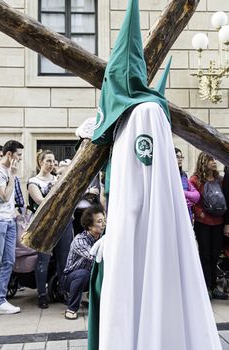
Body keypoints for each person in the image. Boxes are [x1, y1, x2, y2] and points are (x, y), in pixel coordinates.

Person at [87, 0, 222, 349]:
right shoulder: (130, 119)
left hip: (139, 234)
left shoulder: (144, 113)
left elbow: (139, 190)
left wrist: (116, 237)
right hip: (126, 233)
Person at [27, 149, 73, 308]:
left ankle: (62, 291)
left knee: (64, 259)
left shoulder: (59, 178)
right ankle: (41, 295)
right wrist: (53, 188)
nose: (51, 164)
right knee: (43, 260)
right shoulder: (34, 182)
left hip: (63, 222)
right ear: (41, 162)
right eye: (48, 161)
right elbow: (41, 202)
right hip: (45, 225)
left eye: (53, 161)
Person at [190, 152, 228, 300]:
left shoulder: (220, 180)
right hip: (203, 223)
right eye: (210, 159)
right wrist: (199, 213)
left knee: (214, 255)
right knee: (205, 255)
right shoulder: (195, 180)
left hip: (218, 223)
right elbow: (190, 200)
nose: (214, 162)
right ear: (203, 161)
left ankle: (213, 286)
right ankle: (205, 287)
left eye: (214, 159)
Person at [63, 205, 105, 320]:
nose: (103, 224)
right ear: (90, 226)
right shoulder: (80, 240)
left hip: (90, 276)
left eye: (104, 220)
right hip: (71, 278)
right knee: (83, 273)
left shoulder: (102, 238)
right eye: (99, 221)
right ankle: (71, 308)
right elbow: (94, 256)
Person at [0, 140, 24, 314]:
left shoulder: (8, 170)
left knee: (9, 261)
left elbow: (10, 201)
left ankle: (0, 300)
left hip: (9, 221)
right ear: (9, 154)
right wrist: (13, 175)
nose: (20, 158)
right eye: (18, 155)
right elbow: (5, 196)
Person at [175, 147, 200, 222]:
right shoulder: (165, 176)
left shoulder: (183, 175)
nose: (180, 159)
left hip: (186, 214)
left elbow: (196, 196)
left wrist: (183, 194)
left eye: (181, 157)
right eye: (177, 156)